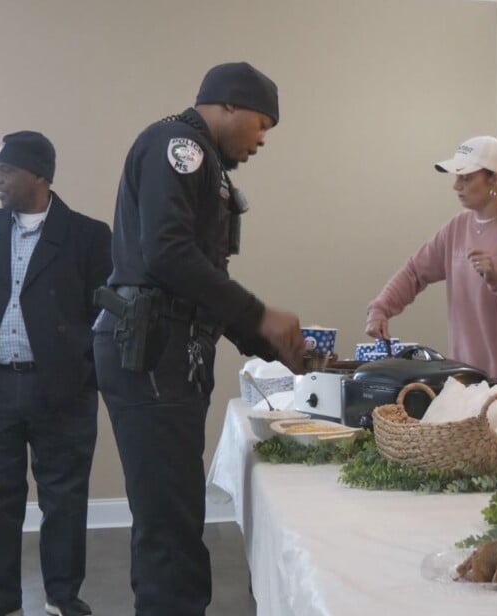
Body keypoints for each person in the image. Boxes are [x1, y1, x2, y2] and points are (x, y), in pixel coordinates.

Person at [93, 62, 304, 616]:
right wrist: (259, 315)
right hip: (152, 352)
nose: (262, 139)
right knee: (170, 522)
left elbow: (196, 279)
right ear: (230, 104)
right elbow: (167, 254)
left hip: (167, 350)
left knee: (175, 512)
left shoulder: (204, 162)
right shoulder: (179, 146)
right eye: (262, 123)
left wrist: (265, 340)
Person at [0, 131, 112, 616]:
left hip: (60, 387)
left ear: (40, 174)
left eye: (7, 168)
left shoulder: (88, 235)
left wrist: (84, 370)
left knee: (64, 497)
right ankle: (0, 600)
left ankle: (62, 596)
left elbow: (107, 316)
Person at [365, 136, 497, 385]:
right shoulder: (456, 228)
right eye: (456, 178)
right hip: (467, 382)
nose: (457, 186)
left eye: (466, 178)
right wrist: (380, 309)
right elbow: (414, 272)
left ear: (495, 179)